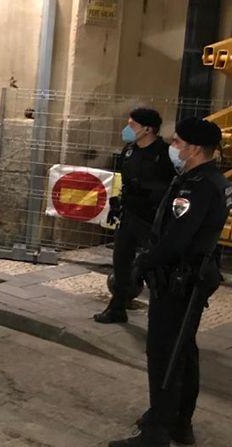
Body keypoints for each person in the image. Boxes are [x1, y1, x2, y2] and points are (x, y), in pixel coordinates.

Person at [110, 118, 230, 447]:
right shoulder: (212, 180)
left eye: (177, 143)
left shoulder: (196, 185)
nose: (172, 148)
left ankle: (157, 432)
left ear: (193, 148)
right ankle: (178, 422)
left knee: (164, 353)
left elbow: (176, 239)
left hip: (178, 280)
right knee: (184, 352)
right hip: (190, 278)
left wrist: (143, 263)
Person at [95, 108, 175, 324]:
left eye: (132, 125)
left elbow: (171, 188)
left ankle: (161, 315)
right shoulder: (129, 151)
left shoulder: (165, 154)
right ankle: (117, 307)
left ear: (148, 129)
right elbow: (125, 181)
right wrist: (117, 204)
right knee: (121, 262)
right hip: (129, 215)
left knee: (153, 266)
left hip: (151, 219)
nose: (127, 129)